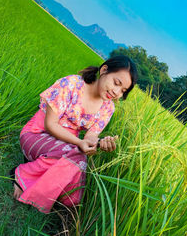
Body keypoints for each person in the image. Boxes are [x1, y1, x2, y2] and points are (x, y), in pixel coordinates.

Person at [10, 55, 138, 213]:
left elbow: (90, 137)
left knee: (73, 194)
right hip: (36, 134)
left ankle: (44, 177)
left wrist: (99, 143)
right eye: (116, 83)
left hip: (65, 145)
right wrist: (79, 143)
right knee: (74, 154)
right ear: (104, 70)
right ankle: (22, 173)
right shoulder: (71, 84)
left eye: (123, 91)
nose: (116, 92)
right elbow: (50, 125)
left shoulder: (108, 108)